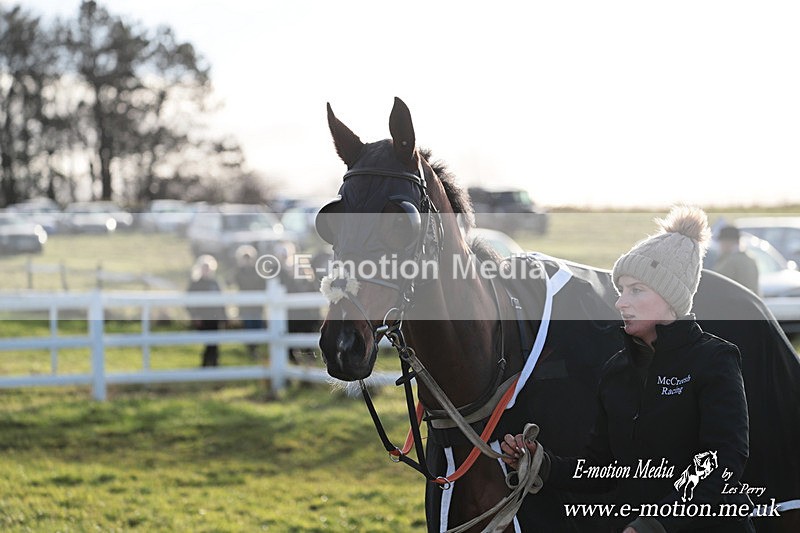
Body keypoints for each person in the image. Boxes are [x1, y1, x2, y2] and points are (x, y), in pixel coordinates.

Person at [501, 206, 753, 533]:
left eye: (636, 290)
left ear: (671, 298)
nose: (621, 302)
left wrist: (655, 524)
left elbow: (720, 466)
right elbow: (601, 469)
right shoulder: (616, 371)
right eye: (621, 290)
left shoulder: (714, 360)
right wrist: (540, 464)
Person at [187, 254, 226, 367]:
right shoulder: (195, 284)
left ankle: (212, 363)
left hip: (215, 317)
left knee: (215, 341)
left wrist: (224, 316)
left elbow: (221, 301)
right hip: (203, 317)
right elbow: (188, 302)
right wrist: (194, 315)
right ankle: (207, 363)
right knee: (209, 341)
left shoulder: (215, 283)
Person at [232, 245, 266, 358]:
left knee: (257, 326)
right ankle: (251, 350)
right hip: (245, 306)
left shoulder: (258, 272)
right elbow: (230, 281)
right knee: (249, 326)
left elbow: (264, 285)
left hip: (256, 306)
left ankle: (255, 349)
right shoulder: (238, 272)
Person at [712, 225, 760, 295]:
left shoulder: (730, 261)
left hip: (735, 302)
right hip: (751, 302)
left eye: (722, 242)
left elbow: (717, 284)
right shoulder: (750, 259)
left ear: (728, 243)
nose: (720, 246)